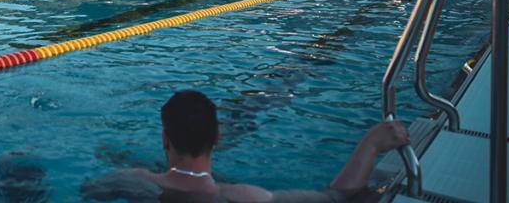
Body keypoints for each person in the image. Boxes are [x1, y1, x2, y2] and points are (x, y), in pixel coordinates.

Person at [82, 90, 410, 202]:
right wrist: (371, 143)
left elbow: (87, 192)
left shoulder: (129, 180)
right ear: (218, 139)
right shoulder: (246, 196)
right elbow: (337, 197)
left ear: (165, 139)